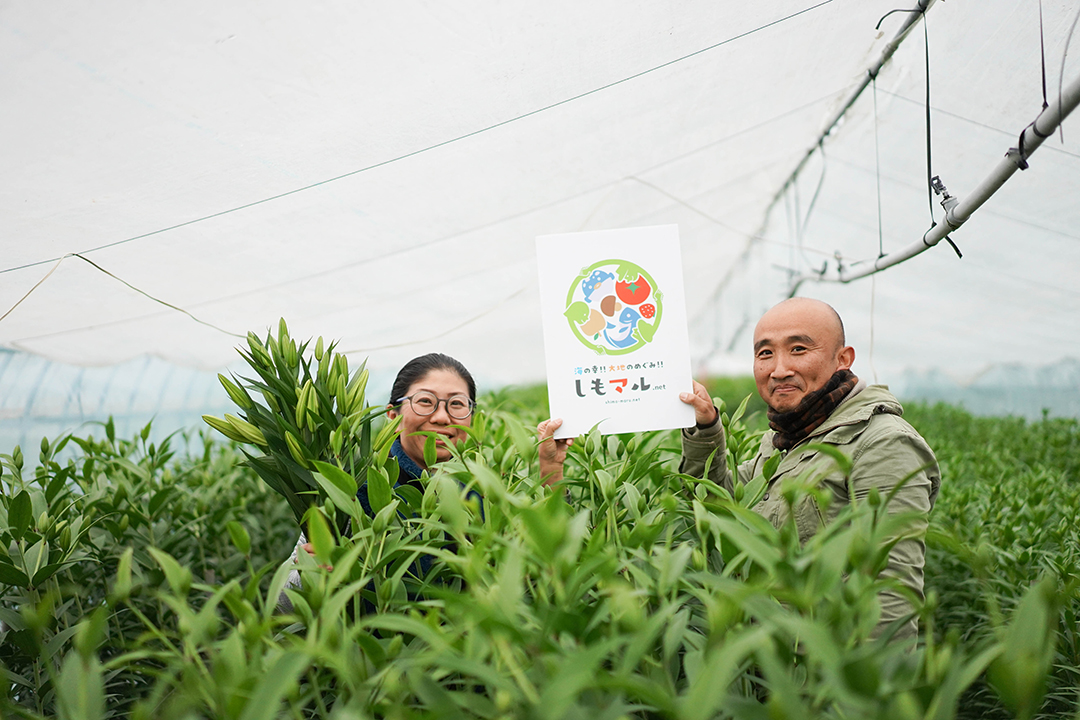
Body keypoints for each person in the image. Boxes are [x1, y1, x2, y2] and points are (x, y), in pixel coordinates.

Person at [679, 297, 940, 640]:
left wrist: (857, 689)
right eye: (765, 353)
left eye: (799, 349)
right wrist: (706, 427)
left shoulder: (881, 443)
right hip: (761, 669)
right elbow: (714, 510)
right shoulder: (780, 442)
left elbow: (889, 595)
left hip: (817, 677)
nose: (779, 369)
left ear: (843, 359)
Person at [279, 352, 480, 610]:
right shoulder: (353, 492)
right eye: (425, 401)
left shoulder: (483, 490)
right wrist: (308, 574)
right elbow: (284, 604)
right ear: (392, 417)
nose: (442, 417)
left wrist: (550, 476)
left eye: (457, 404)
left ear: (472, 417)